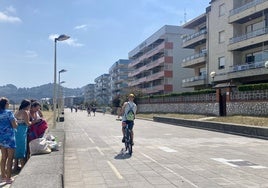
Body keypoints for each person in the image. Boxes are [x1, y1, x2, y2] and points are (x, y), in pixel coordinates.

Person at [0, 97, 17, 184]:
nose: (9, 104)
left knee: (3, 158)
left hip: (1, 138)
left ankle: (2, 177)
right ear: (5, 104)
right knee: (10, 158)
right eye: (8, 103)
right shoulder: (9, 113)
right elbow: (14, 125)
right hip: (9, 138)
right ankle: (8, 178)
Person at [14, 99, 32, 171]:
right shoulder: (25, 112)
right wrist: (33, 121)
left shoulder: (17, 111)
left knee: (16, 148)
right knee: (22, 148)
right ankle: (22, 167)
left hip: (16, 131)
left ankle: (15, 166)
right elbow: (28, 123)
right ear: (27, 105)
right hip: (22, 131)